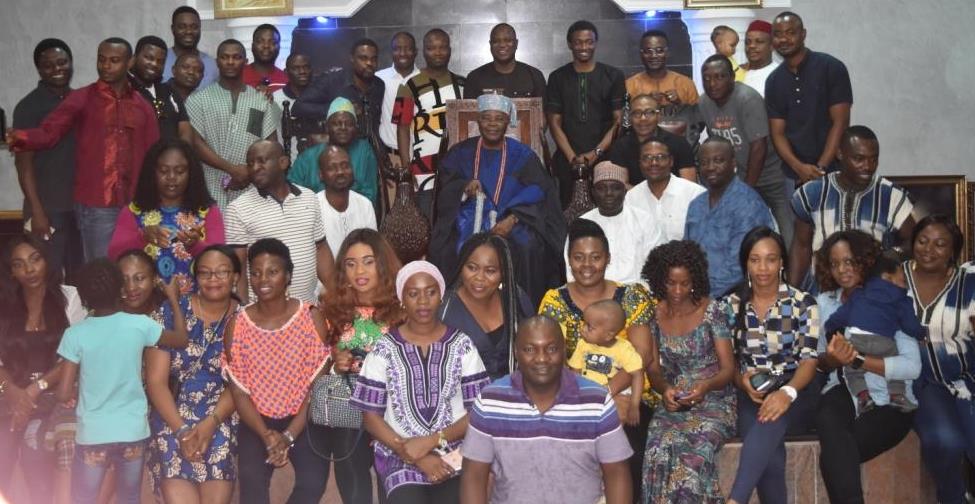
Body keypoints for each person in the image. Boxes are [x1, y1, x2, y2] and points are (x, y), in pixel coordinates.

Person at [6, 37, 160, 262]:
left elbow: (153, 155)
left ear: (130, 63)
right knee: (101, 273)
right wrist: (18, 137)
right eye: (101, 60)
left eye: (114, 60)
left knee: (133, 268)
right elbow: (50, 132)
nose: (106, 66)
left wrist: (153, 202)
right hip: (97, 206)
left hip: (135, 206)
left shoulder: (142, 106)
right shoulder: (83, 98)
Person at [351, 261, 490, 502]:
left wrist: (433, 441)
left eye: (431, 292)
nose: (423, 301)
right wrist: (413, 453)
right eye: (413, 294)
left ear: (442, 297)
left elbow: (478, 412)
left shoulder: (462, 345)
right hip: (398, 455)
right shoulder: (384, 349)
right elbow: (371, 417)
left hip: (455, 454)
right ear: (402, 299)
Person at [459, 316, 634, 504]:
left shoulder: (596, 400)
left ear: (564, 351)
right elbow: (475, 474)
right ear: (517, 353)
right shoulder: (491, 400)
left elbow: (616, 472)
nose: (541, 358)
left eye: (551, 349)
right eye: (529, 349)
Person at [56, 258, 187, 504]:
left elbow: (63, 393)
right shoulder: (139, 325)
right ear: (120, 289)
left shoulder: (75, 334)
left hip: (93, 434)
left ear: (83, 297)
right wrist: (173, 299)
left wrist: (74, 394)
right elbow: (181, 339)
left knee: (83, 498)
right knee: (129, 498)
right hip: (132, 432)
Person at [539, 218, 654, 497]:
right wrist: (596, 400)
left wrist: (610, 393)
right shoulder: (554, 301)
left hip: (630, 397)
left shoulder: (632, 297)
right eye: (578, 258)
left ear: (608, 258)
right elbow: (551, 363)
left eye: (595, 257)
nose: (587, 265)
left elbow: (642, 355)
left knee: (629, 453)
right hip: (574, 398)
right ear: (568, 260)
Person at [812, 230, 921, 504]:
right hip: (845, 387)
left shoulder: (889, 298)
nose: (842, 270)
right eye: (835, 264)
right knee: (828, 418)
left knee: (837, 455)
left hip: (891, 398)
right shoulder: (825, 303)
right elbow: (818, 362)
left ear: (865, 260)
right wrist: (834, 358)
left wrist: (858, 360)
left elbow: (911, 367)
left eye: (849, 261)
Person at [222, 238, 331, 504]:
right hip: (256, 420)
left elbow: (317, 387)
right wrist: (266, 435)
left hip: (304, 417)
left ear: (288, 276)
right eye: (256, 272)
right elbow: (238, 391)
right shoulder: (238, 324)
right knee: (251, 482)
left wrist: (289, 435)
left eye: (273, 271)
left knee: (313, 482)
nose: (263, 279)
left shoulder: (310, 317)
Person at [430, 93, 565, 306]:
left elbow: (541, 193)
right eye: (486, 118)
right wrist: (463, 187)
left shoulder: (523, 156)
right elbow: (445, 189)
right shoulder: (461, 152)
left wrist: (512, 220)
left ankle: (523, 310)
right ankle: (451, 308)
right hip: (469, 221)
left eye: (499, 118)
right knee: (444, 246)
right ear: (478, 120)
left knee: (529, 246)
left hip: (513, 222)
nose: (492, 124)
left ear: (507, 122)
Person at [724, 227, 820, 504]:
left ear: (782, 263)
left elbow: (809, 359)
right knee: (769, 451)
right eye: (755, 260)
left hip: (796, 386)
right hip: (749, 389)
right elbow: (727, 361)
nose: (763, 268)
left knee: (768, 421)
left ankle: (736, 500)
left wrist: (786, 393)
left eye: (771, 259)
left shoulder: (803, 303)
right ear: (745, 263)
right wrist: (741, 380)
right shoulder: (731, 304)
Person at [640, 240, 736, 503]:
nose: (678, 290)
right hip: (674, 402)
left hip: (714, 401)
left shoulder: (712, 311)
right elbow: (654, 370)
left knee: (691, 468)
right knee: (657, 453)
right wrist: (665, 391)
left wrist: (704, 387)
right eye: (671, 283)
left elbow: (729, 369)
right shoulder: (655, 313)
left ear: (696, 280)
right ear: (661, 280)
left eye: (685, 283)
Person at [145, 245, 240, 504]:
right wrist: (182, 431)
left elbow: (242, 383)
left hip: (222, 415)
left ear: (236, 277)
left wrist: (210, 424)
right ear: (195, 277)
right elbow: (155, 382)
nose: (213, 280)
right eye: (205, 273)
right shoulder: (170, 311)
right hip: (172, 416)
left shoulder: (246, 319)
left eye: (222, 272)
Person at [0, 235, 87, 504]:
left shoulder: (69, 296)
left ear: (47, 260)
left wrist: (34, 390)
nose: (29, 269)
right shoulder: (3, 304)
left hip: (54, 397)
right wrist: (11, 391)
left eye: (35, 259)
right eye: (19, 264)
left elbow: (75, 355)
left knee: (36, 458)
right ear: (11, 272)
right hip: (8, 397)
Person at [318, 229, 403, 503]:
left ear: (383, 264)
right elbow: (317, 365)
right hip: (349, 409)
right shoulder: (332, 309)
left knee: (393, 484)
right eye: (351, 264)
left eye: (368, 261)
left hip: (394, 411)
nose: (359, 271)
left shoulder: (403, 309)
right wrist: (336, 363)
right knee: (353, 480)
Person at [902, 215, 975, 504]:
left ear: (954, 252)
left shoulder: (968, 282)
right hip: (918, 382)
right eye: (922, 241)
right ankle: (954, 497)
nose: (929, 249)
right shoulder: (893, 278)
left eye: (940, 244)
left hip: (965, 380)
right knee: (946, 441)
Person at [789, 125, 915, 287]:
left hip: (870, 290)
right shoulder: (813, 193)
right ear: (840, 154)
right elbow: (801, 246)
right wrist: (791, 292)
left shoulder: (890, 196)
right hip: (823, 290)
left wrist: (891, 255)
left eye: (873, 159)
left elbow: (914, 239)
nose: (868, 166)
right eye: (859, 159)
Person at [693, 54, 792, 247]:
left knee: (787, 229)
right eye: (707, 78)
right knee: (739, 230)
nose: (712, 83)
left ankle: (794, 276)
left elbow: (759, 147)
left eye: (719, 77)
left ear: (732, 77)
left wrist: (746, 190)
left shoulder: (747, 98)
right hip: (738, 177)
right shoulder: (704, 102)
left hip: (771, 175)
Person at [108, 138, 225, 293]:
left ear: (191, 173)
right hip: (146, 307)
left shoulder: (208, 211)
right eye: (163, 171)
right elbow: (114, 257)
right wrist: (142, 237)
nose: (171, 177)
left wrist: (195, 245)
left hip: (197, 305)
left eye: (180, 171)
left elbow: (222, 264)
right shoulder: (133, 211)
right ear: (152, 172)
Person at [225, 140, 333, 303]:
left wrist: (336, 292)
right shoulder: (237, 209)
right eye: (250, 163)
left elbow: (321, 248)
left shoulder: (309, 198)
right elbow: (238, 268)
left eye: (261, 161)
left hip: (308, 309)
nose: (254, 168)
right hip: (263, 314)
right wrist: (244, 313)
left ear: (283, 162)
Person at [13, 39, 82, 278]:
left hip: (80, 209)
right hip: (48, 210)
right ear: (39, 69)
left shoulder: (80, 101)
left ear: (71, 64)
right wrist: (37, 211)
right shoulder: (27, 107)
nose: (57, 69)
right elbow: (23, 165)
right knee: (48, 277)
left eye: (62, 62)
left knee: (79, 275)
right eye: (48, 65)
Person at [823, 248, 923, 411]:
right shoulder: (902, 299)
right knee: (894, 372)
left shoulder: (859, 294)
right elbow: (911, 326)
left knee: (852, 371)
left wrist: (830, 327)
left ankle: (863, 397)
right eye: (903, 280)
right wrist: (921, 334)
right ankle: (897, 396)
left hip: (857, 341)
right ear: (888, 277)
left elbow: (841, 316)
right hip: (885, 343)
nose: (905, 284)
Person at [185, 38, 280, 209]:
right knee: (213, 235)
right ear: (217, 62)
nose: (230, 62)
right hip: (209, 185)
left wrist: (249, 173)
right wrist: (231, 169)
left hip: (252, 187)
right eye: (224, 57)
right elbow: (195, 143)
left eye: (236, 57)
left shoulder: (260, 100)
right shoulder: (197, 100)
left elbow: (271, 144)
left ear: (245, 62)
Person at [766, 11, 852, 184]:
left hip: (833, 170)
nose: (783, 39)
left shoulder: (831, 67)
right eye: (778, 34)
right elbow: (778, 133)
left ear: (803, 34)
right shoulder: (774, 81)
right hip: (793, 174)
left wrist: (820, 168)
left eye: (790, 32)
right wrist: (799, 168)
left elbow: (840, 122)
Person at [546, 20, 625, 206]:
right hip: (568, 161)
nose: (584, 47)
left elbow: (619, 121)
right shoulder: (558, 77)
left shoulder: (613, 76)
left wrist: (594, 154)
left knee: (607, 211)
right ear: (570, 44)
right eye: (578, 42)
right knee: (569, 213)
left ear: (595, 43)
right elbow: (553, 122)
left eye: (589, 42)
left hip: (607, 159)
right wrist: (573, 158)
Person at [685, 137, 776, 297]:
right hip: (695, 294)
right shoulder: (696, 204)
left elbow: (740, 267)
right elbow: (686, 254)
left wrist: (702, 298)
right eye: (704, 162)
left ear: (733, 163)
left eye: (718, 160)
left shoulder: (748, 204)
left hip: (737, 297)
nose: (711, 167)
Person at [438, 233, 534, 381]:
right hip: (464, 399)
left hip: (514, 395)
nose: (479, 278)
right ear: (461, 267)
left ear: (503, 273)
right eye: (472, 268)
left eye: (490, 271)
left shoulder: (516, 298)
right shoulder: (444, 309)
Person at [567, 161, 662, 284]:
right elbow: (572, 272)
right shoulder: (581, 225)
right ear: (593, 192)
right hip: (592, 296)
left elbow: (655, 269)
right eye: (602, 188)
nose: (609, 193)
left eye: (615, 188)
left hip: (637, 295)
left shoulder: (645, 221)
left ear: (625, 191)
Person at [394, 28, 465, 181]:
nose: (437, 52)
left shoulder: (462, 83)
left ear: (450, 50)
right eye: (431, 48)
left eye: (442, 47)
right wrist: (406, 167)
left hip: (459, 169)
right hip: (422, 169)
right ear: (423, 51)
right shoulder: (407, 85)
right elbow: (402, 128)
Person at [288, 97, 379, 204]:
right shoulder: (307, 157)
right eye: (337, 123)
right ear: (327, 127)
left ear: (355, 127)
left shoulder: (364, 151)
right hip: (314, 214)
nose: (343, 128)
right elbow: (292, 191)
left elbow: (370, 194)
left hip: (354, 214)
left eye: (349, 124)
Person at [568, 300, 642, 425]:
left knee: (614, 418)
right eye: (584, 323)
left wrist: (634, 405)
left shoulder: (624, 349)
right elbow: (575, 371)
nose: (583, 329)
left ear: (608, 335)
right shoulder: (583, 344)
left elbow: (637, 374)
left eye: (589, 327)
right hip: (588, 392)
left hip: (616, 395)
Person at [294, 39, 384, 140]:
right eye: (363, 58)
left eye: (374, 59)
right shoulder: (332, 81)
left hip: (370, 147)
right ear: (352, 58)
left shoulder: (379, 85)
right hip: (337, 148)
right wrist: (339, 109)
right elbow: (299, 107)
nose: (369, 63)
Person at [624, 139, 705, 243]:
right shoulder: (631, 198)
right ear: (640, 163)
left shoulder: (695, 194)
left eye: (660, 157)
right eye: (647, 158)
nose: (654, 163)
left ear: (671, 161)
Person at [625, 30, 699, 135]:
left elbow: (698, 122)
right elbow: (624, 124)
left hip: (680, 146)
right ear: (641, 54)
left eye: (659, 50)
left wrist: (680, 104)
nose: (654, 56)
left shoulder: (685, 83)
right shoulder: (630, 85)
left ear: (667, 52)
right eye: (648, 51)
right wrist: (647, 103)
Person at [609, 93, 696, 183]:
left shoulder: (680, 144)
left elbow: (689, 185)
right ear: (630, 118)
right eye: (637, 113)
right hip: (635, 196)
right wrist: (648, 196)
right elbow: (621, 186)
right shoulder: (620, 146)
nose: (643, 118)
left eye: (649, 113)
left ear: (658, 116)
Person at [314, 145, 378, 260]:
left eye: (345, 166)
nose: (340, 172)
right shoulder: (312, 207)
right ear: (321, 175)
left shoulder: (365, 205)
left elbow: (372, 250)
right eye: (332, 168)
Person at [129, 36, 192, 142]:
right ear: (134, 58)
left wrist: (182, 152)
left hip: (173, 156)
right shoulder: (126, 90)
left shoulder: (169, 91)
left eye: (160, 61)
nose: (154, 64)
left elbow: (185, 129)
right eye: (149, 58)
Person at [463, 23, 546, 99]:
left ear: (516, 44)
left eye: (508, 40)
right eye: (496, 41)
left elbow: (541, 113)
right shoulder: (474, 78)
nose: (502, 45)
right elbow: (469, 114)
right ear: (490, 45)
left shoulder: (534, 76)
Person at [376, 32, 420, 169]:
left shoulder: (424, 79)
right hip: (390, 157)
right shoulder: (379, 79)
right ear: (391, 52)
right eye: (397, 49)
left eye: (407, 48)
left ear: (415, 52)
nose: (402, 53)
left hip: (422, 157)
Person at [162, 6, 217, 88]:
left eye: (194, 27)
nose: (188, 31)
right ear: (173, 29)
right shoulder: (161, 60)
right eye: (182, 27)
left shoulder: (212, 64)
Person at [241, 24, 287, 95]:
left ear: (279, 47)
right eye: (260, 41)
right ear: (252, 46)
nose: (266, 46)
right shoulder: (238, 77)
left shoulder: (286, 80)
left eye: (273, 42)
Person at [741, 20, 778, 98]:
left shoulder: (778, 75)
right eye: (748, 42)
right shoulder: (737, 72)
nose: (752, 46)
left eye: (759, 41)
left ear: (772, 45)